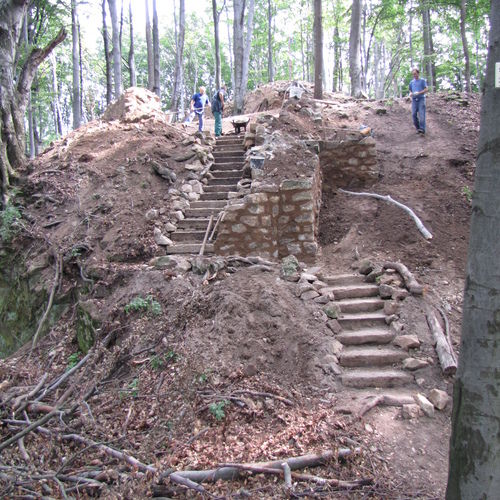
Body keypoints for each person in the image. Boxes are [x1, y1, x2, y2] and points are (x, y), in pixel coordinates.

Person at [409, 68, 428, 135]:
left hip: (421, 99)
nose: (415, 75)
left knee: (421, 114)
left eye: (416, 74)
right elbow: (410, 90)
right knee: (413, 114)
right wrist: (411, 93)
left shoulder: (422, 81)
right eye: (413, 74)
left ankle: (422, 129)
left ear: (418, 73)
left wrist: (419, 93)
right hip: (414, 100)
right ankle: (418, 128)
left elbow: (426, 89)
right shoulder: (411, 82)